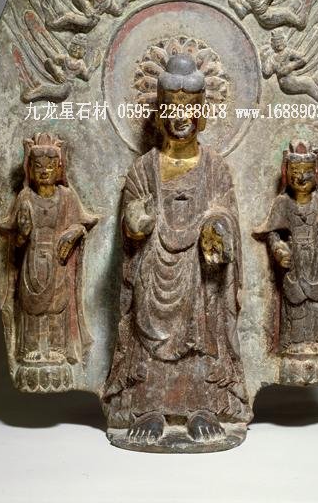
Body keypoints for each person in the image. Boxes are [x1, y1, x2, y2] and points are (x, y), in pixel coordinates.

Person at [103, 54, 250, 446]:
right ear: (158, 114)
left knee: (204, 325)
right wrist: (135, 224)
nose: (180, 117)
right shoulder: (143, 168)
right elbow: (130, 225)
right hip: (154, 270)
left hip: (201, 274)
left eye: (189, 108)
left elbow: (225, 212)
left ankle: (203, 407)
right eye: (170, 108)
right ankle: (148, 408)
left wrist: (217, 228)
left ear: (201, 113)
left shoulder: (215, 167)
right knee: (146, 325)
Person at [0, 133, 98, 389]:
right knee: (30, 304)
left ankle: (56, 349)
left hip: (58, 260)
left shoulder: (67, 197)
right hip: (32, 259)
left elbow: (83, 223)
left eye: (50, 166)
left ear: (59, 168)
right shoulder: (25, 197)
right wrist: (22, 233)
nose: (44, 171)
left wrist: (74, 233)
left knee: (57, 304)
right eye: (38, 166)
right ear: (29, 169)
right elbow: (15, 240)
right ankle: (31, 348)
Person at [253, 141, 318, 354]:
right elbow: (272, 234)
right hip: (294, 266)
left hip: (316, 263)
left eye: (307, 172)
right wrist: (278, 250)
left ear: (316, 173)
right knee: (295, 308)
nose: (301, 178)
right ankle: (292, 345)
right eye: (295, 172)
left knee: (317, 308)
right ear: (287, 173)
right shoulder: (282, 203)